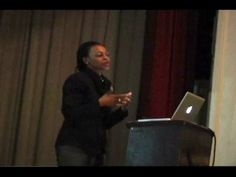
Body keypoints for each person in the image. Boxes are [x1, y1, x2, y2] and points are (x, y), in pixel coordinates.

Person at [55, 41, 132, 166]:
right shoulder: (76, 79)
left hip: (96, 149)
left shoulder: (105, 83)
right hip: (75, 145)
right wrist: (99, 103)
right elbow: (70, 113)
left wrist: (121, 109)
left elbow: (103, 123)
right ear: (86, 60)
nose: (105, 58)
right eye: (99, 55)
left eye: (107, 54)